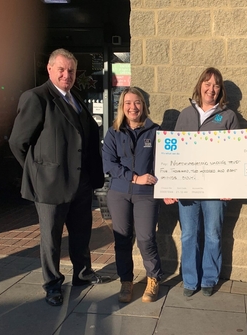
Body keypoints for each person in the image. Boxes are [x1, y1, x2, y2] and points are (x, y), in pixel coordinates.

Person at [9, 48, 110, 307]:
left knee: (80, 233)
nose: (67, 75)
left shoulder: (75, 98)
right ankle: (52, 284)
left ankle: (82, 273)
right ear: (50, 69)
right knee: (51, 239)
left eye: (72, 70)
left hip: (80, 183)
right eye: (62, 69)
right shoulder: (37, 98)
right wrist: (38, 172)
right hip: (50, 185)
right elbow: (18, 142)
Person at [164, 67, 240, 297]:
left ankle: (209, 279)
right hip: (188, 187)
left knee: (213, 234)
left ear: (221, 90)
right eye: (207, 84)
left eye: (216, 85)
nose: (211, 89)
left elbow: (237, 154)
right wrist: (171, 186)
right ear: (200, 86)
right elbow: (173, 152)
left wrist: (230, 185)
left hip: (215, 189)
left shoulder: (228, 116)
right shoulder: (186, 114)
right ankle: (190, 280)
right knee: (188, 234)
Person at [102, 87, 162, 303]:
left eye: (137, 102)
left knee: (146, 239)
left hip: (146, 195)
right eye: (128, 103)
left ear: (143, 105)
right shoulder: (114, 132)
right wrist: (134, 177)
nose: (132, 107)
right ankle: (126, 281)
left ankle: (153, 278)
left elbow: (164, 163)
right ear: (122, 107)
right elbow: (108, 163)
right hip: (119, 193)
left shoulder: (155, 131)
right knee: (122, 239)